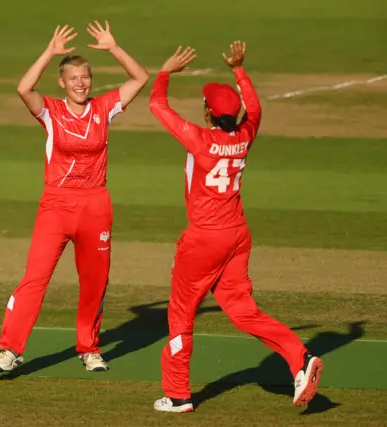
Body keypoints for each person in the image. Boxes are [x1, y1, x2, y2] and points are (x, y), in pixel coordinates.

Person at [148, 42, 323, 412]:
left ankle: (178, 393)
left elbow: (157, 106)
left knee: (180, 312)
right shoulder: (245, 136)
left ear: (208, 113)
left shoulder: (200, 140)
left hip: (204, 241)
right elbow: (255, 110)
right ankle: (299, 357)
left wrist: (164, 72)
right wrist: (239, 70)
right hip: (237, 237)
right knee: (243, 312)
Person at [0, 21, 149, 374]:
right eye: (73, 78)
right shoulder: (50, 111)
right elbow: (23, 87)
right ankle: (9, 350)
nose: (81, 84)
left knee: (94, 282)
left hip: (95, 205)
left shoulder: (104, 107)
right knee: (36, 277)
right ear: (62, 82)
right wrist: (49, 51)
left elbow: (140, 79)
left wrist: (114, 47)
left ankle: (90, 349)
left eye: (86, 77)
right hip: (57, 204)